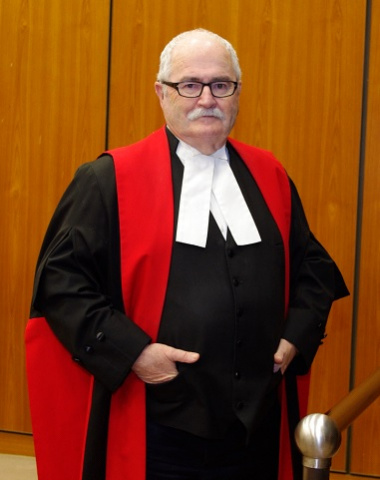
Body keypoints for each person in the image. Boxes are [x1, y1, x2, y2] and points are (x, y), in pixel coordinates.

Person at [26, 29, 348, 480]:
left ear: (237, 93)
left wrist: (297, 333)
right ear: (162, 93)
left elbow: (315, 268)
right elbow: (61, 286)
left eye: (221, 85)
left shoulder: (269, 173)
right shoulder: (109, 178)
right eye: (189, 85)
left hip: (257, 422)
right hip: (159, 424)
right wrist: (135, 353)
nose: (207, 99)